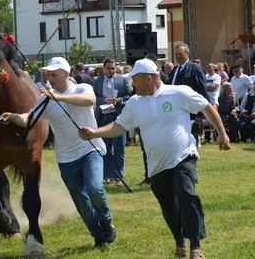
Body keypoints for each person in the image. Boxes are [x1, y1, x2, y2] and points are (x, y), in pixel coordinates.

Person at [78, 58, 230, 259]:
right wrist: (95, 132)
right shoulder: (134, 102)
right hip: (157, 166)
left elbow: (206, 107)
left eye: (135, 81)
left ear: (148, 79)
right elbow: (119, 126)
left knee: (187, 196)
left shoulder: (179, 93)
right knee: (169, 208)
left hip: (183, 156)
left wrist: (222, 133)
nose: (132, 85)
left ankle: (195, 246)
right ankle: (179, 241)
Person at [0, 57, 117, 248]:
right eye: (48, 74)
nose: (49, 77)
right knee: (81, 202)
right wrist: (13, 117)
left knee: (95, 188)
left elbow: (90, 100)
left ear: (66, 74)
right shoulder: (45, 98)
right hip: (66, 158)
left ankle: (106, 221)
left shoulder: (81, 88)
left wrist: (59, 97)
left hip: (90, 150)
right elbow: (29, 118)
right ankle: (98, 236)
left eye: (54, 74)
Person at [93, 57, 132, 185]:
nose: (111, 70)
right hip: (103, 117)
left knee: (119, 148)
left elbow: (129, 95)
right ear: (103, 68)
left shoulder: (123, 80)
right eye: (108, 68)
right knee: (105, 148)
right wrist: (103, 100)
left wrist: (118, 101)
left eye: (113, 68)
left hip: (118, 117)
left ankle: (119, 177)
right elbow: (93, 97)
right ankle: (107, 176)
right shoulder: (97, 81)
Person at [169, 44, 210, 144]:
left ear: (187, 54)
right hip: (176, 112)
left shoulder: (196, 69)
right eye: (176, 54)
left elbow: (202, 92)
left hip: (191, 113)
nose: (178, 56)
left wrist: (200, 114)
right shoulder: (175, 70)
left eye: (180, 54)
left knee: (191, 141)